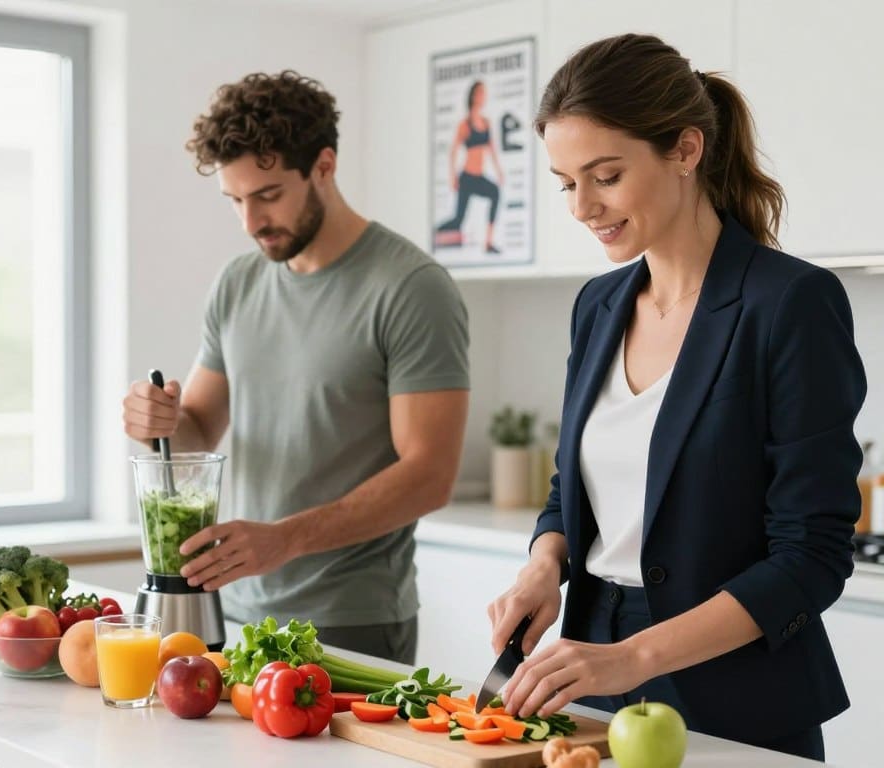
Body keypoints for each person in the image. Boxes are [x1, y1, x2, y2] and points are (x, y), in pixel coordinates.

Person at [486, 34, 865, 761]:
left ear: (685, 150)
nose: (582, 207)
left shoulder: (788, 304)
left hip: (738, 698)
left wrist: (634, 657)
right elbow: (574, 486)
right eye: (567, 183)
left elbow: (812, 555)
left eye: (605, 176)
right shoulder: (597, 306)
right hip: (589, 680)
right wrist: (544, 565)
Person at [122, 70, 470, 665]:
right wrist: (158, 419)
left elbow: (429, 475)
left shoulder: (411, 288)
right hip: (236, 608)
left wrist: (284, 540)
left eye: (268, 195)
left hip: (352, 621)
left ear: (324, 167)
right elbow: (199, 429)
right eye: (235, 200)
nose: (250, 221)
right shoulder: (238, 283)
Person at [435, 80, 505, 254]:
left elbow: (492, 150)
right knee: (458, 219)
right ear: (473, 96)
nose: (483, 96)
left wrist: (499, 172)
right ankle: (436, 233)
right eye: (480, 92)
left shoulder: (486, 123)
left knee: (495, 192)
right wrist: (452, 177)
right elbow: (453, 152)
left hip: (479, 177)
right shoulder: (464, 124)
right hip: (466, 178)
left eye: (484, 93)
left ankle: (488, 242)